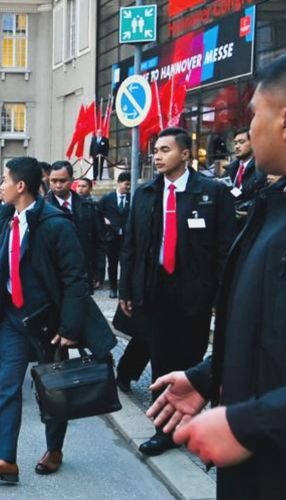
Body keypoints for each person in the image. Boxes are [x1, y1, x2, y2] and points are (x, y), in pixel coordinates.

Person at [147, 55, 286, 498]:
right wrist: (211, 375)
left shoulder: (222, 197)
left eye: (253, 115)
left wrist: (248, 422)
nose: (245, 132)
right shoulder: (273, 205)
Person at [0, 157, 116, 481]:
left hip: (49, 322)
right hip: (11, 319)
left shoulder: (56, 224)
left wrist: (70, 327)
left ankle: (54, 448)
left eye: (5, 180)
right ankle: (4, 458)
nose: (0, 186)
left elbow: (76, 279)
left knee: (51, 389)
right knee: (8, 386)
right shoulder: (5, 217)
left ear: (21, 186)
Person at [119, 127, 236, 457]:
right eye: (155, 150)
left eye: (165, 149)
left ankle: (202, 425)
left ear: (185, 154)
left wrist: (220, 297)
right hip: (155, 292)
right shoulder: (146, 193)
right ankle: (164, 431)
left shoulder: (212, 192)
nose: (157, 155)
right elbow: (131, 245)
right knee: (162, 364)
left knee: (193, 362)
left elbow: (224, 250)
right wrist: (127, 288)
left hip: (195, 295)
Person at [47, 161, 106, 291]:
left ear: (72, 180)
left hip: (83, 273)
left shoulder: (89, 207)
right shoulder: (42, 208)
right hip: (53, 276)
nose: (58, 185)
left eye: (62, 181)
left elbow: (99, 241)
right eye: (54, 181)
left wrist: (99, 271)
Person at [224, 127, 266, 226]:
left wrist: (249, 211)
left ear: (253, 143)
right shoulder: (230, 169)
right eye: (235, 143)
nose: (237, 146)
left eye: (241, 142)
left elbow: (263, 197)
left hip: (252, 222)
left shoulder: (261, 168)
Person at [98, 171, 131, 298]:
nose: (128, 187)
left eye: (129, 185)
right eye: (126, 184)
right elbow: (98, 212)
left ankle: (124, 289)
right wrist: (104, 221)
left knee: (125, 264)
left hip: (126, 238)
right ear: (119, 183)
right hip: (111, 237)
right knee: (112, 264)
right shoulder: (108, 198)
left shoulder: (131, 198)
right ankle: (113, 288)